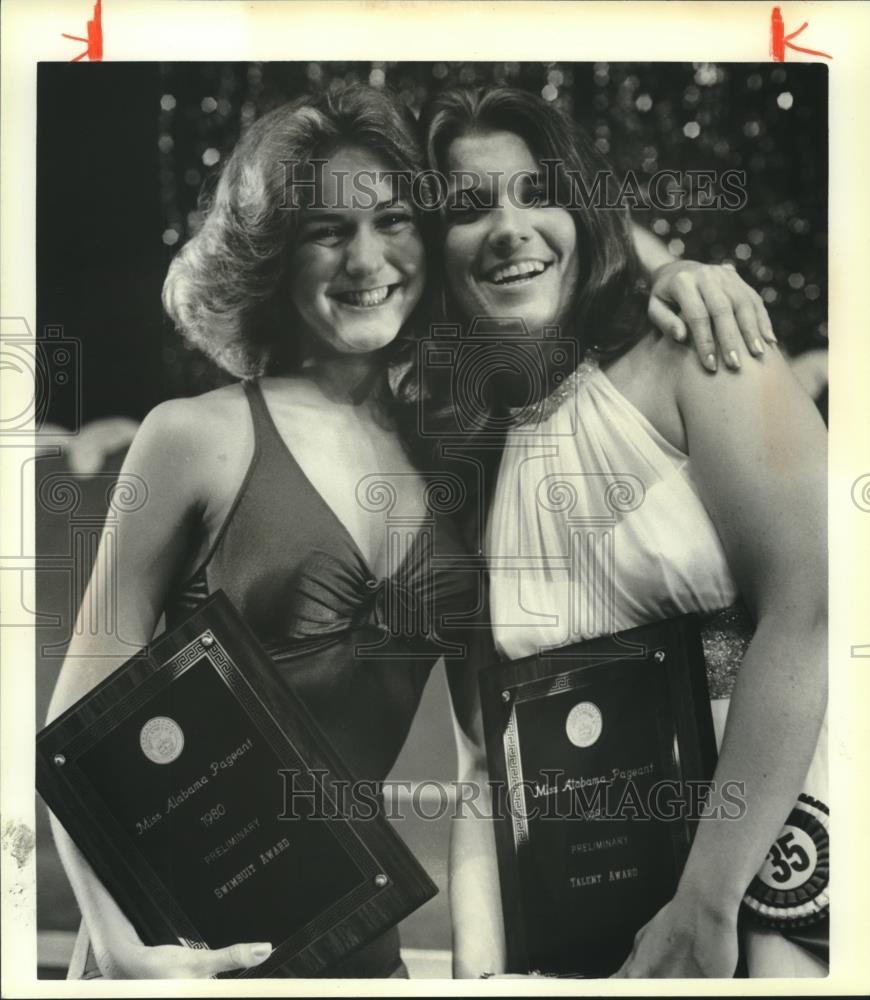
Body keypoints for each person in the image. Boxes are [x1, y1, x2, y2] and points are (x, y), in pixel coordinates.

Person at [45, 81, 772, 981]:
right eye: (326, 230)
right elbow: (71, 733)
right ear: (276, 253)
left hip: (362, 950)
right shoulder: (194, 437)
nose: (366, 258)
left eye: (393, 222)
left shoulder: (454, 450)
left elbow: (484, 760)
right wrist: (121, 950)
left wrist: (677, 273)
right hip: (172, 955)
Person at [416, 85, 827, 978]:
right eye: (469, 207)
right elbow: (487, 769)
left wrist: (705, 903)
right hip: (585, 933)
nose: (510, 227)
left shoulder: (699, 350)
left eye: (537, 193)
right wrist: (482, 978)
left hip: (773, 889)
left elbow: (816, 611)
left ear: (584, 213)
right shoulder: (460, 473)